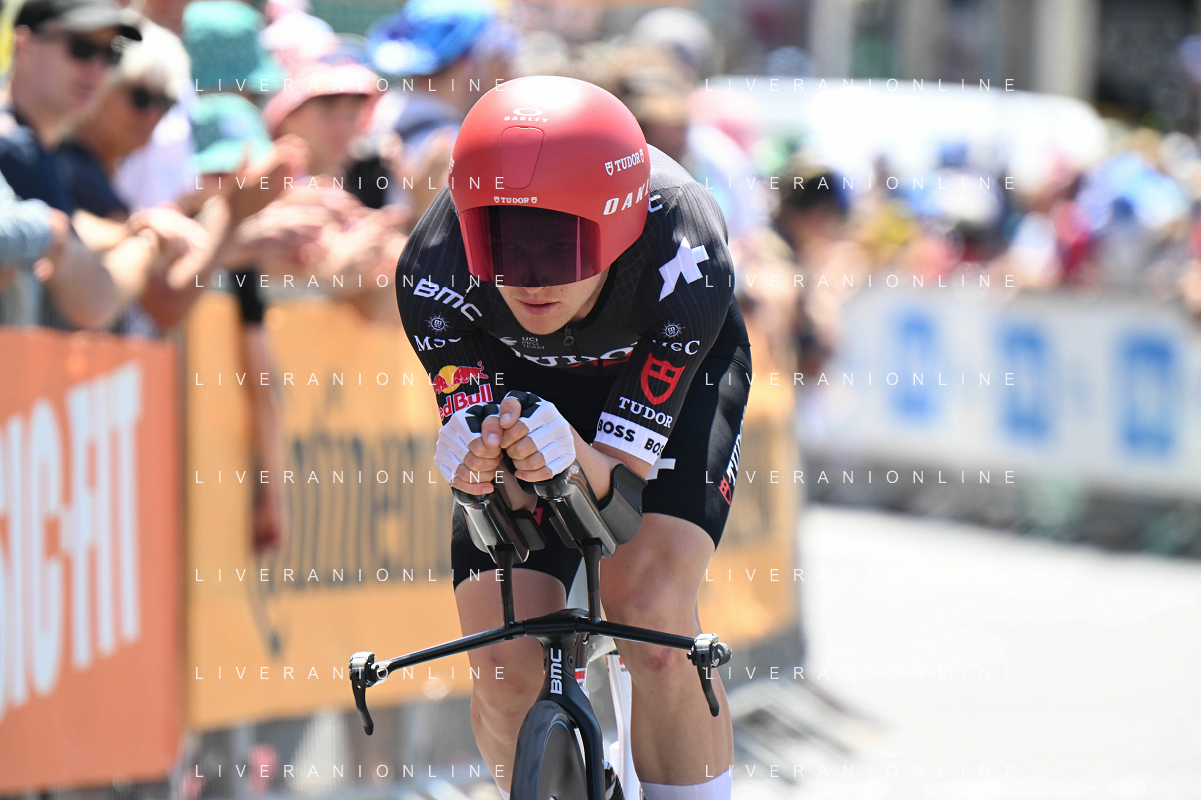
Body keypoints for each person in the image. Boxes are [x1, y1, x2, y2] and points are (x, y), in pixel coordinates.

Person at [396, 75, 749, 800]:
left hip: (668, 377)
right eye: (501, 247)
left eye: (560, 247)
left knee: (649, 612)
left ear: (619, 229)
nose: (531, 280)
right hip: (522, 383)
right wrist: (477, 464)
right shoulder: (432, 270)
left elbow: (618, 505)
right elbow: (497, 483)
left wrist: (576, 454)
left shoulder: (683, 246)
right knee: (505, 664)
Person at [0, 0, 203, 329]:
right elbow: (94, 301)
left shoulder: (35, 148)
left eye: (110, 55)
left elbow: (68, 229)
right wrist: (150, 242)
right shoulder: (16, 148)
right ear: (24, 44)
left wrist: (134, 227)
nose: (97, 70)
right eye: (81, 48)